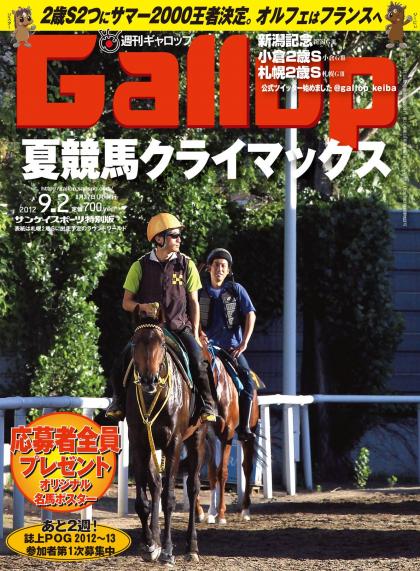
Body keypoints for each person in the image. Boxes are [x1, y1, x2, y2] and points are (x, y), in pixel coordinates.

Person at [106, 212, 217, 423]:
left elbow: (194, 303)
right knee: (122, 359)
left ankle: (207, 404)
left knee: (198, 359)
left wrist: (195, 333)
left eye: (178, 235)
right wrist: (141, 306)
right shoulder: (139, 266)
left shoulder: (187, 264)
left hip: (179, 327)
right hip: (148, 329)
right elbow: (126, 302)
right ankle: (118, 402)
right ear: (159, 238)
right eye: (174, 235)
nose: (179, 239)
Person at [199, 248, 257, 441]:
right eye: (216, 265)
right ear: (209, 268)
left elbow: (250, 314)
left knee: (247, 380)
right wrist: (198, 332)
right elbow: (191, 315)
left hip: (231, 349)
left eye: (223, 266)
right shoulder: (199, 291)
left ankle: (245, 427)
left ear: (228, 270)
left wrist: (244, 342)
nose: (220, 269)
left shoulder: (236, 289)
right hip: (206, 349)